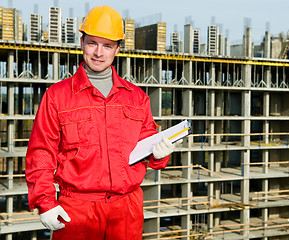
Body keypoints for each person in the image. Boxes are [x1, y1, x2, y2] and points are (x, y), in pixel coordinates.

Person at [25, 5, 177, 240]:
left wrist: (160, 154)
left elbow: (147, 145)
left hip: (126, 209)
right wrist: (45, 202)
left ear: (117, 49)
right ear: (82, 42)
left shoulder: (137, 97)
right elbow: (41, 153)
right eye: (92, 43)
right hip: (77, 208)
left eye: (107, 46)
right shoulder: (57, 96)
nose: (98, 52)